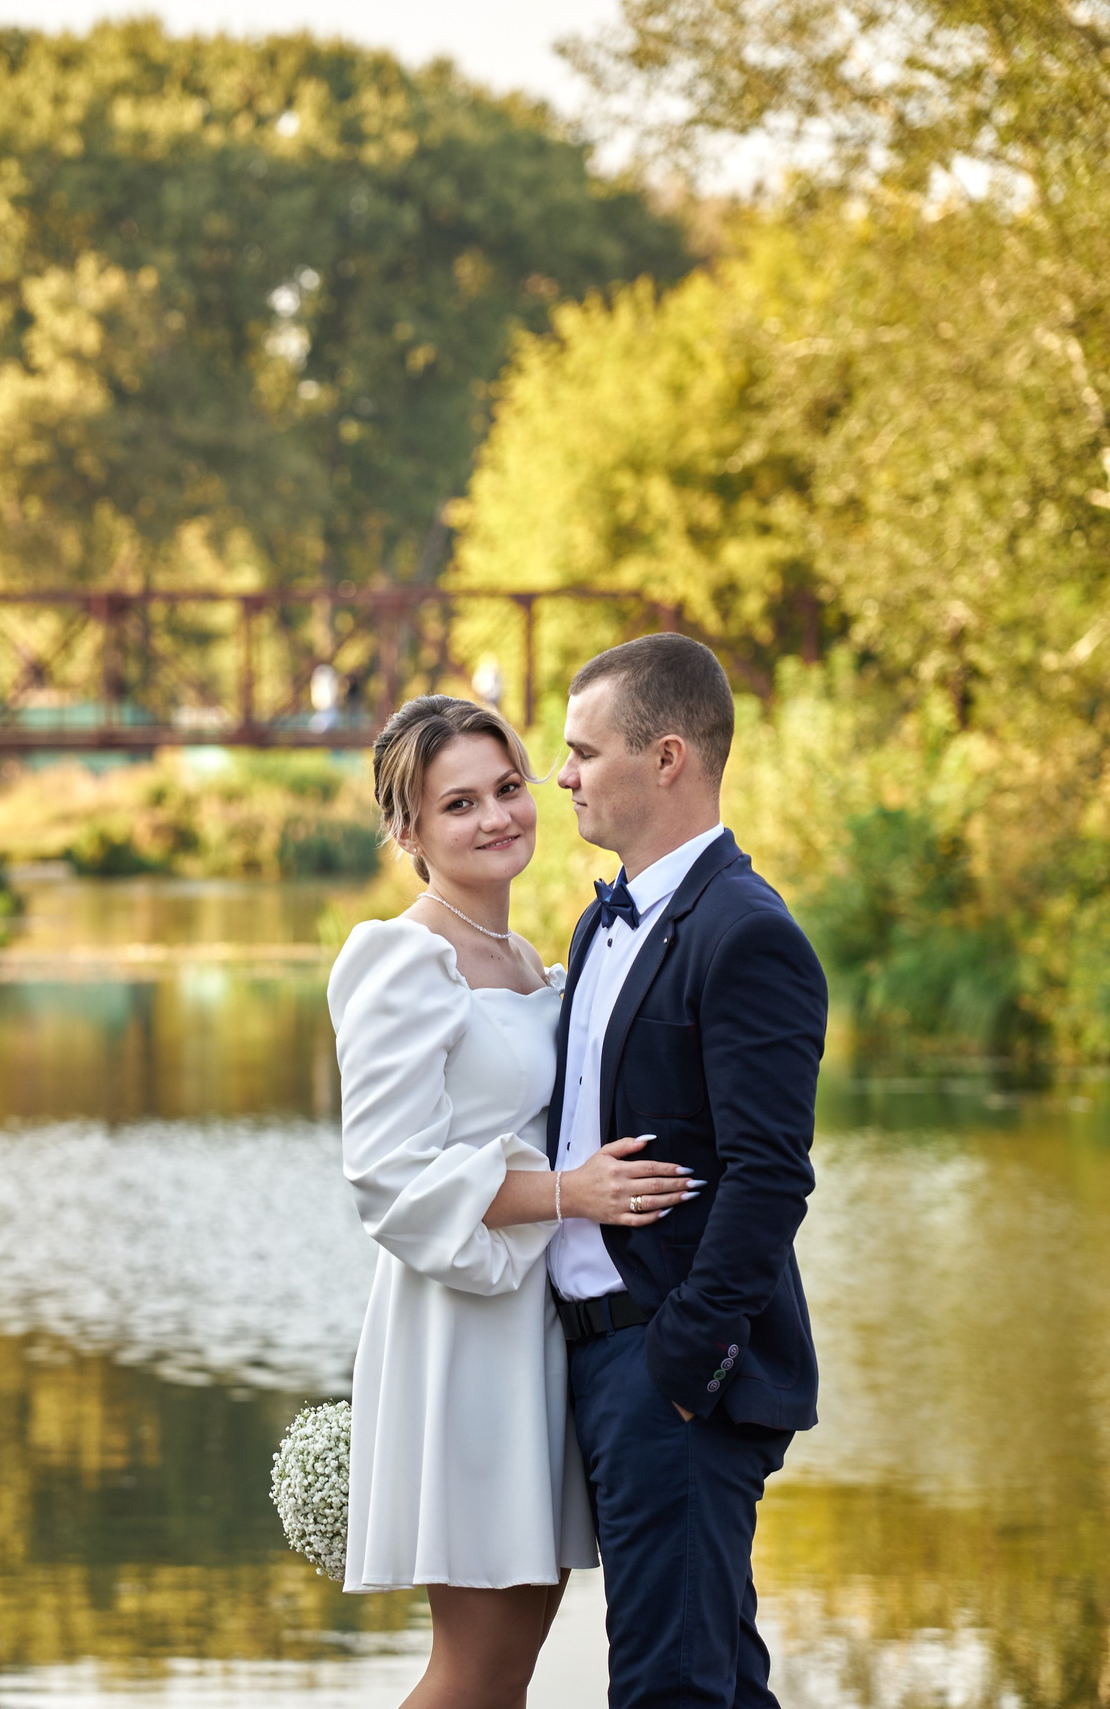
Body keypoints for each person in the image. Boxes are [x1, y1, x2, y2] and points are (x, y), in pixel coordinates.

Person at [330, 694, 698, 1709]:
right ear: (407, 830)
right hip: (461, 1334)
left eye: (505, 788)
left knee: (508, 1666)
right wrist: (569, 1192)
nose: (496, 816)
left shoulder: (530, 958)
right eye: (458, 804)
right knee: (478, 1665)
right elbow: (386, 1173)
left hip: (535, 1328)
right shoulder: (399, 957)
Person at [546, 635, 827, 1709]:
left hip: (669, 1374)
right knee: (706, 1676)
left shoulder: (745, 932)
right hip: (598, 1361)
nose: (562, 774)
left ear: (666, 757)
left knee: (670, 1685)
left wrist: (678, 1366)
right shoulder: (604, 914)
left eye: (583, 750)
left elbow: (769, 1175)